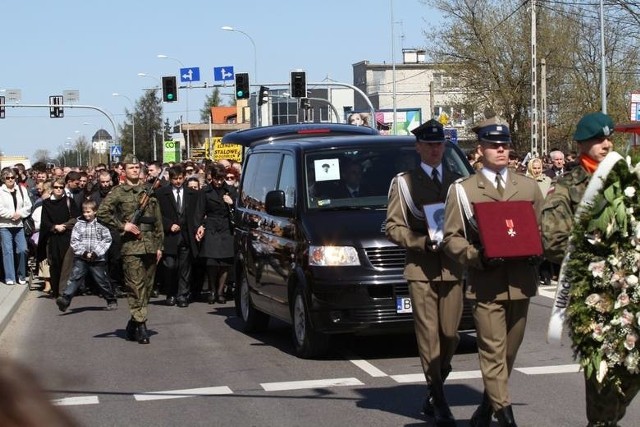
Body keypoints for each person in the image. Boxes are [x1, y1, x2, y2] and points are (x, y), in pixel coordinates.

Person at [441, 117, 544, 427]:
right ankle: (506, 415)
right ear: (481, 150)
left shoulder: (527, 186)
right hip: (486, 282)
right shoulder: (464, 190)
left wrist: (539, 252)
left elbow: (540, 228)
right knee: (492, 350)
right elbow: (451, 237)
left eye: (505, 145)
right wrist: (475, 256)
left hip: (521, 282)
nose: (501, 150)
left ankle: (486, 407)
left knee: (509, 352)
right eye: (493, 145)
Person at [541, 112, 637, 426]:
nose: (605, 144)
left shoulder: (627, 180)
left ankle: (608, 417)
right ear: (582, 144)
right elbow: (552, 240)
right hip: (592, 294)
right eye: (597, 140)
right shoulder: (567, 186)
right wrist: (599, 247)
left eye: (608, 138)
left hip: (631, 290)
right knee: (603, 374)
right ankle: (602, 421)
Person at [386, 119, 464, 426]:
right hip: (421, 267)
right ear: (418, 147)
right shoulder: (404, 183)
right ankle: (439, 397)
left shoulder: (458, 182)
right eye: (430, 145)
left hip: (453, 267)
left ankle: (435, 387)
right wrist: (418, 241)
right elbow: (393, 227)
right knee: (429, 336)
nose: (435, 150)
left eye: (440, 144)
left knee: (451, 334)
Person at [97, 154, 163, 344]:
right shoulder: (118, 192)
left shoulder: (149, 191)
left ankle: (133, 323)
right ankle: (142, 326)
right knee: (135, 287)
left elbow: (157, 220)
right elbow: (102, 213)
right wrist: (122, 226)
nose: (135, 170)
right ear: (123, 171)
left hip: (150, 244)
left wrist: (160, 246)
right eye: (131, 167)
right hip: (131, 247)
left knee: (148, 288)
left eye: (137, 167)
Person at [55, 200, 117, 312]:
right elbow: (74, 240)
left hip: (97, 258)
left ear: (95, 211)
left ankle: (111, 299)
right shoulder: (79, 224)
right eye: (84, 212)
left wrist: (95, 253)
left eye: (89, 212)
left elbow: (107, 240)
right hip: (81, 257)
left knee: (101, 280)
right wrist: (83, 252)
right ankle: (65, 299)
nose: (86, 214)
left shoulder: (101, 224)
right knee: (75, 277)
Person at [155, 165, 202, 308]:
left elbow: (197, 213)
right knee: (170, 266)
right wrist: (168, 225)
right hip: (170, 236)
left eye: (180, 178)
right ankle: (170, 293)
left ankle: (182, 295)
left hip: (186, 235)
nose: (178, 181)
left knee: (184, 267)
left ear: (184, 177)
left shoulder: (192, 193)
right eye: (175, 179)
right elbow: (157, 214)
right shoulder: (162, 193)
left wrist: (199, 226)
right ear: (170, 178)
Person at [196, 163, 236, 304]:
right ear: (211, 178)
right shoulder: (205, 192)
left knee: (225, 262)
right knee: (212, 261)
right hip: (211, 226)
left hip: (226, 227)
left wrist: (231, 202)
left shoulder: (231, 190)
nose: (219, 182)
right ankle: (212, 290)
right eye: (216, 179)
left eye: (221, 179)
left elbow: (238, 210)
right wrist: (200, 225)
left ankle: (220, 292)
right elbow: (200, 211)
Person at [39, 178, 81, 298]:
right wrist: (54, 227)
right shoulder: (47, 203)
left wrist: (65, 226)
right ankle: (56, 290)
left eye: (61, 187)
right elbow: (44, 221)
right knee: (55, 263)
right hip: (53, 238)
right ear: (52, 188)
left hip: (67, 237)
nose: (58, 189)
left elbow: (76, 218)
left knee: (67, 264)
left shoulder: (69, 201)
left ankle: (67, 291)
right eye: (56, 187)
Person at [0, 168, 32, 285]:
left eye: (12, 177)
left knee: (22, 250)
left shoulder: (21, 190)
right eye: (7, 178)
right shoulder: (0, 191)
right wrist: (11, 215)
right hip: (4, 225)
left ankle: (21, 275)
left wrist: (20, 214)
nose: (10, 180)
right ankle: (10, 277)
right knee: (7, 251)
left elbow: (28, 206)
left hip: (19, 224)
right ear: (3, 179)